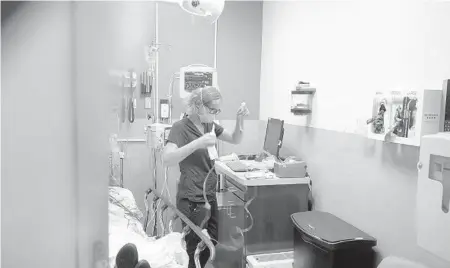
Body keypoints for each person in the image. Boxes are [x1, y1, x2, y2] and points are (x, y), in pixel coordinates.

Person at [162, 86, 249, 268]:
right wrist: (198, 143)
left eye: (218, 110)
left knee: (212, 242)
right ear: (198, 106)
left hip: (209, 196)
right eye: (212, 110)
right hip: (192, 199)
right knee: (193, 249)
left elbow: (235, 138)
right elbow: (167, 159)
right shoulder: (180, 128)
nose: (215, 114)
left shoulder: (210, 125)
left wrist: (239, 120)